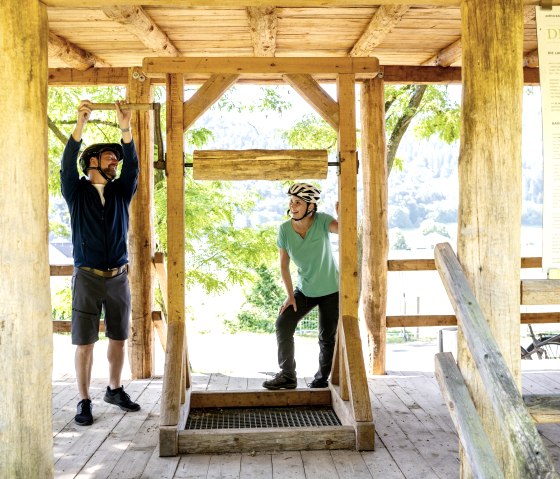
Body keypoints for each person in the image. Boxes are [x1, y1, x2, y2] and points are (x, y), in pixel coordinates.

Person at [61, 99, 140, 426]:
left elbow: (133, 165)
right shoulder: (76, 192)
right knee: (85, 342)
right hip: (87, 277)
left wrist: (125, 128)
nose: (116, 162)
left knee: (119, 337)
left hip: (119, 277)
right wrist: (81, 122)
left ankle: (114, 388)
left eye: (116, 158)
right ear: (91, 162)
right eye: (109, 157)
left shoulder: (122, 191)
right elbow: (66, 163)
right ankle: (83, 400)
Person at [263, 183, 339, 390]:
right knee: (283, 324)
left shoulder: (322, 221)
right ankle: (288, 376)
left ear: (310, 206)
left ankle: (321, 379)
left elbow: (344, 231)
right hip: (305, 290)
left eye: (298, 202)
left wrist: (344, 215)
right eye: (291, 202)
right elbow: (284, 265)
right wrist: (290, 296)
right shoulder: (285, 230)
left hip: (332, 289)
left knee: (326, 337)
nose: (293, 206)